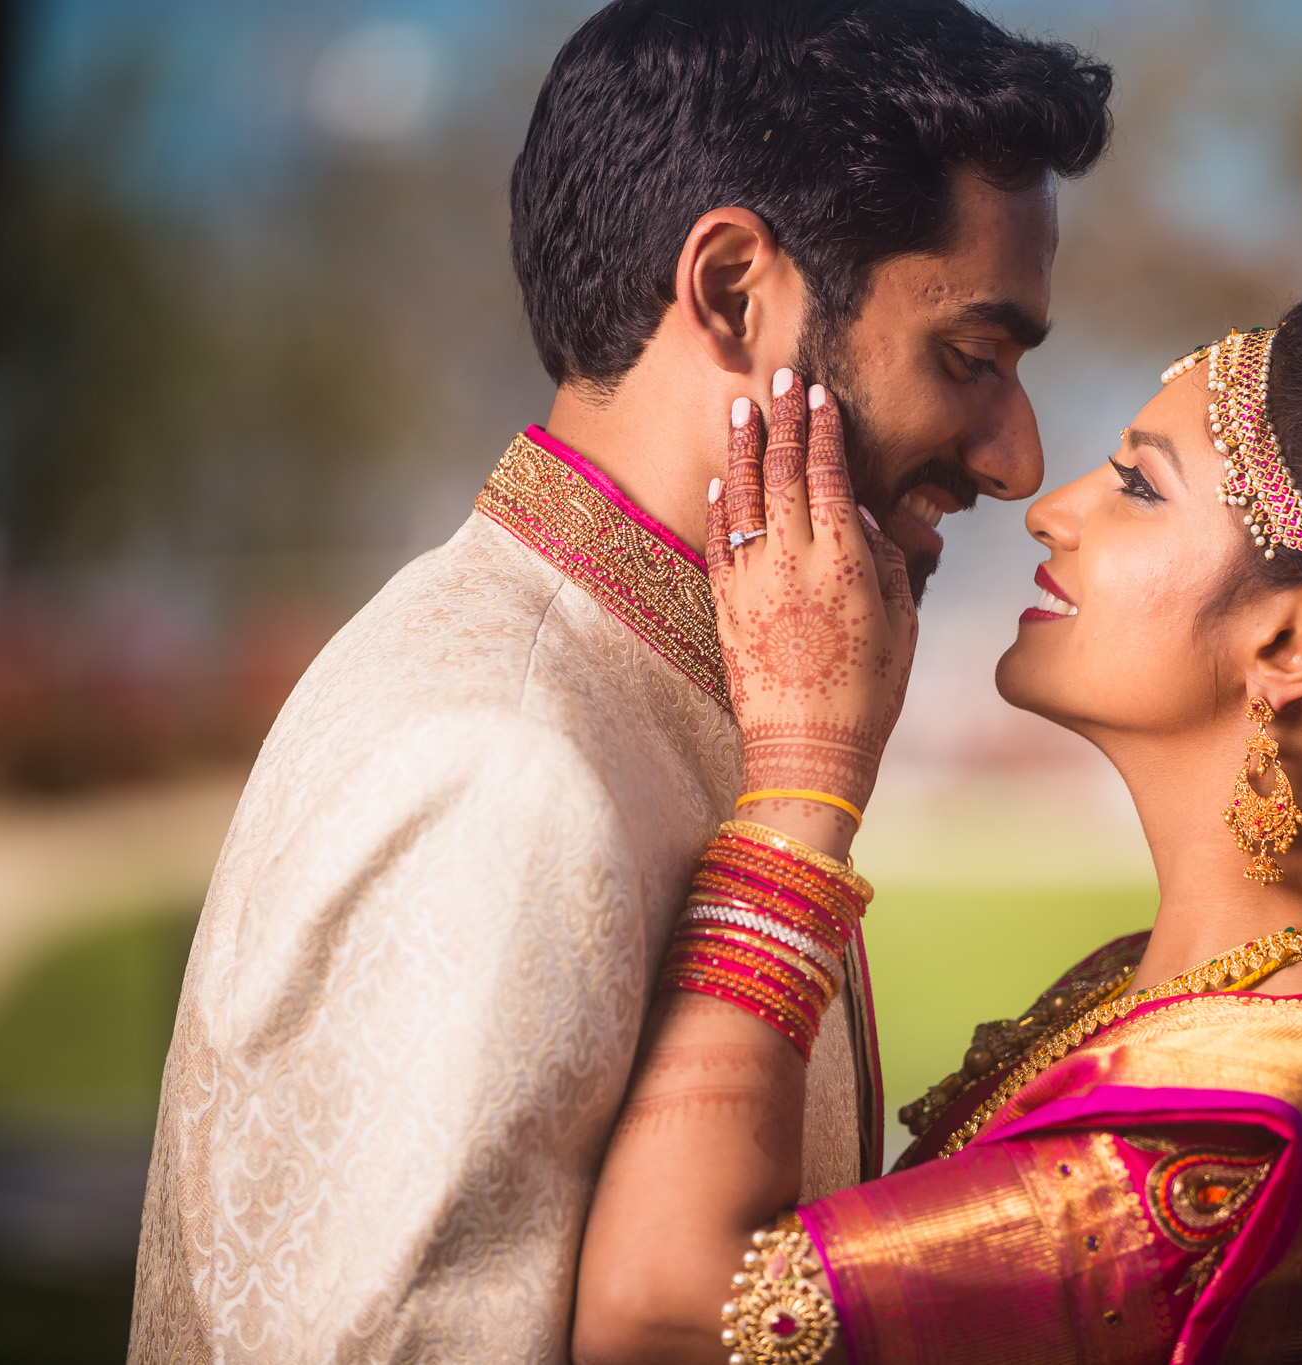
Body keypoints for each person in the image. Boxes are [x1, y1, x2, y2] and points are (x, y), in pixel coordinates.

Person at [127, 2, 1113, 1360]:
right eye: (972, 357)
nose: (1016, 456)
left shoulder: (685, 695)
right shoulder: (498, 765)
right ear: (730, 291)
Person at [572, 296, 1302, 1364]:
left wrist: (799, 787)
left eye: (1139, 484)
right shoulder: (1238, 1010)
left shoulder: (1255, 1134)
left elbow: (662, 1313)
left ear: (1297, 638)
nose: (1049, 510)